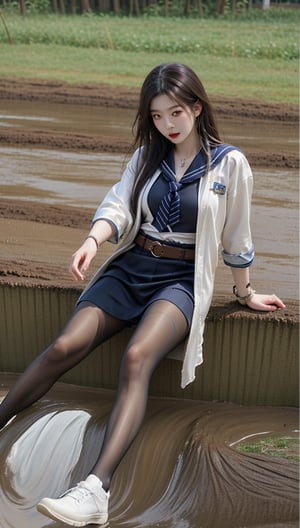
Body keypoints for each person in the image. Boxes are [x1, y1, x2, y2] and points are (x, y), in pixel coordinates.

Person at [0, 63, 285, 527]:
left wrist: (245, 291)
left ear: (196, 107)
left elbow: (237, 235)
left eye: (175, 112)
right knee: (65, 346)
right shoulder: (147, 156)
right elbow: (118, 201)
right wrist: (92, 241)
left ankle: (95, 490)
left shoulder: (229, 163)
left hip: (181, 280)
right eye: (156, 116)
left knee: (136, 358)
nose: (167, 125)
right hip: (132, 267)